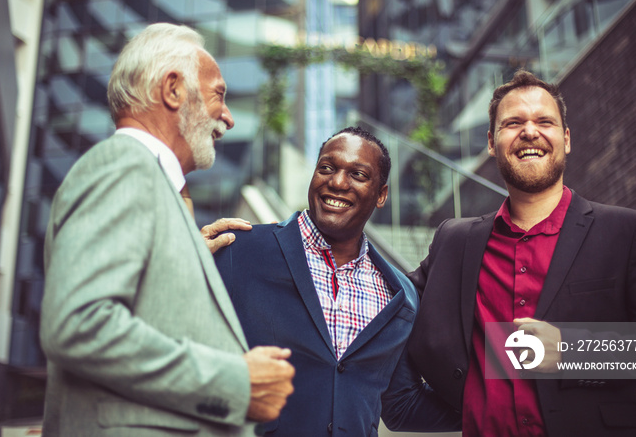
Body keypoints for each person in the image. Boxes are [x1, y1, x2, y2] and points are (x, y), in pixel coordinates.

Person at [39, 23, 294, 437]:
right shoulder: (124, 165)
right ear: (173, 90)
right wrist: (235, 382)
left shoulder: (142, 179)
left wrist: (183, 253)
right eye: (219, 95)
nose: (227, 117)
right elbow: (78, 323)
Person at [406, 69, 636, 436]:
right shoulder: (454, 240)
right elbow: (392, 305)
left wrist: (572, 351)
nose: (529, 131)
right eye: (512, 122)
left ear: (566, 139)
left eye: (544, 121)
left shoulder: (627, 232)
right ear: (491, 142)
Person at [208, 126, 461, 436]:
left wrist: (499, 405)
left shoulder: (401, 294)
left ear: (381, 194)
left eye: (358, 175)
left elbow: (400, 405)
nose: (338, 182)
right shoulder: (238, 250)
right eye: (326, 168)